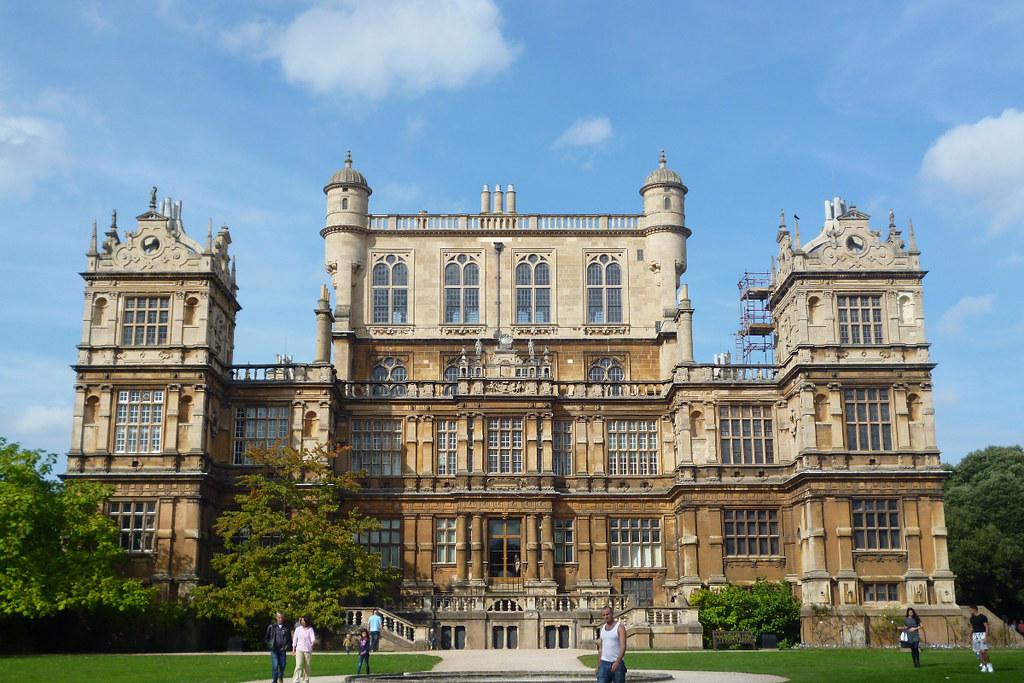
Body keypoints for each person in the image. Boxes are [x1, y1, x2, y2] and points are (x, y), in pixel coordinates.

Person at [596, 605, 627, 683]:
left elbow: (623, 646)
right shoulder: (602, 628)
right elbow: (601, 648)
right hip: (604, 663)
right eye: (604, 615)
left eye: (607, 614)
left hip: (617, 664)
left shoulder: (620, 627)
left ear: (612, 614)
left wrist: (617, 662)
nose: (606, 616)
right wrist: (598, 665)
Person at [265, 611, 292, 683]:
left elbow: (289, 639)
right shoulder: (271, 627)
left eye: (282, 618)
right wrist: (270, 646)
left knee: (283, 666)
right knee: (275, 666)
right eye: (279, 617)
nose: (280, 619)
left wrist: (286, 647)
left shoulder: (286, 628)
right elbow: (266, 638)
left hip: (283, 650)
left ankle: (280, 676)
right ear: (276, 618)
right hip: (274, 650)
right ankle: (274, 681)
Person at [969, 605, 994, 673]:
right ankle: (984, 666)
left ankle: (989, 665)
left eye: (970, 609)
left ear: (974, 609)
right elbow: (972, 627)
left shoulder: (983, 617)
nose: (970, 611)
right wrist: (970, 635)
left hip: (982, 634)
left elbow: (986, 627)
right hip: (975, 635)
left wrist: (986, 636)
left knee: (983, 651)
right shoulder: (972, 618)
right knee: (979, 652)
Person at [292, 615, 316, 683]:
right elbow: (295, 639)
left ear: (307, 621)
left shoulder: (310, 629)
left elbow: (313, 639)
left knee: (307, 667)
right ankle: (296, 680)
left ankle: (305, 680)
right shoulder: (298, 629)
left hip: (307, 651)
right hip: (299, 649)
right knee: (298, 665)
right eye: (301, 620)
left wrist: (313, 643)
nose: (302, 622)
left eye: (303, 620)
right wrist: (293, 649)